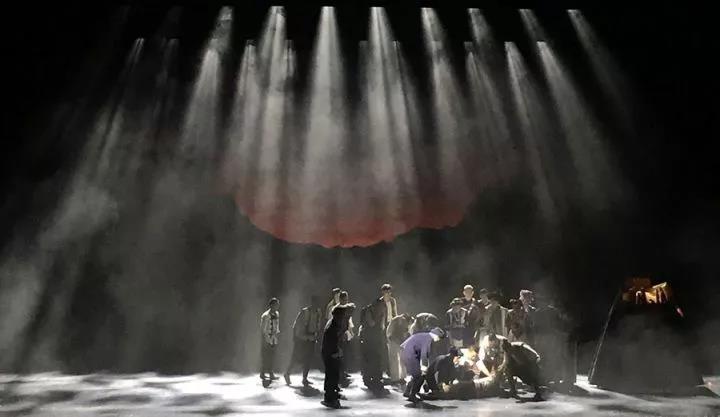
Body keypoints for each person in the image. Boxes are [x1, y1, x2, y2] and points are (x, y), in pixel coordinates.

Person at [321, 303, 356, 409]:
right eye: (343, 315)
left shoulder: (336, 324)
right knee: (331, 376)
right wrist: (335, 352)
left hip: (333, 353)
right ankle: (329, 398)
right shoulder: (332, 326)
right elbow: (330, 342)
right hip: (330, 354)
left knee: (334, 375)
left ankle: (333, 395)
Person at [284, 295, 324, 387]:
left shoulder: (318, 312)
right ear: (312, 302)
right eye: (315, 302)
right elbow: (296, 325)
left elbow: (318, 325)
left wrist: (315, 336)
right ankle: (287, 373)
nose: (316, 305)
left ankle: (304, 378)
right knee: (296, 358)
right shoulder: (305, 312)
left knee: (308, 359)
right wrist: (296, 337)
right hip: (302, 338)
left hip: (312, 338)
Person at [400, 327, 446, 403]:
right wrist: (424, 367)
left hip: (406, 352)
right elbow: (424, 354)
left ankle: (407, 392)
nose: (438, 340)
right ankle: (412, 396)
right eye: (439, 338)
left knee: (416, 375)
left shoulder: (423, 335)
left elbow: (405, 344)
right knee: (420, 377)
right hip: (410, 355)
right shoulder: (428, 339)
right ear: (436, 335)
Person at [358, 300, 385, 391]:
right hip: (367, 338)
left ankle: (376, 377)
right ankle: (367, 377)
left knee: (377, 358)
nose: (382, 309)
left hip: (376, 339)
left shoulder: (380, 312)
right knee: (368, 358)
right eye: (381, 307)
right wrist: (379, 316)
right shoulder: (368, 311)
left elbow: (381, 327)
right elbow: (371, 323)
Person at [386, 313, 413, 384]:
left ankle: (395, 378)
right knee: (400, 360)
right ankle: (401, 377)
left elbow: (390, 331)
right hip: (396, 340)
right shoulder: (402, 320)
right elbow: (401, 332)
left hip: (393, 340)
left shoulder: (397, 319)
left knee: (395, 360)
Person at [260, 298, 280, 386]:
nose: (277, 306)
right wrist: (266, 339)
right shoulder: (265, 315)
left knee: (272, 356)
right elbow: (263, 329)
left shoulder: (277, 314)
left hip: (274, 338)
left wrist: (276, 334)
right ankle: (265, 373)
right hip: (267, 338)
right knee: (266, 356)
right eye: (276, 304)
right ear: (271, 305)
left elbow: (277, 325)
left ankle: (268, 373)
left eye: (278, 305)